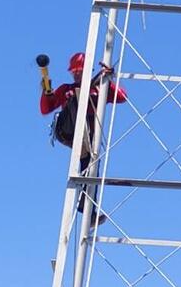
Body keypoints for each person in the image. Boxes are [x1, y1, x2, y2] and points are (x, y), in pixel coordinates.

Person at [39, 51, 127, 219]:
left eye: (80, 71)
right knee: (76, 98)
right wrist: (46, 91)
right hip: (68, 130)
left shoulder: (98, 89)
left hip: (88, 137)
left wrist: (108, 81)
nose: (77, 74)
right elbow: (46, 109)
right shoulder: (67, 90)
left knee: (91, 166)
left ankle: (87, 211)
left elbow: (122, 97)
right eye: (75, 72)